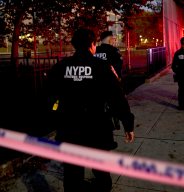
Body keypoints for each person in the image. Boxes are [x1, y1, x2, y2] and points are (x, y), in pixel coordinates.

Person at [46, 28, 135, 192]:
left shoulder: (61, 67)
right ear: (93, 45)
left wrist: (55, 118)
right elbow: (117, 98)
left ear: (75, 45)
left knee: (72, 175)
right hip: (97, 129)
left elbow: (47, 96)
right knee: (101, 173)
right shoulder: (102, 67)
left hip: (70, 129)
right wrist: (128, 124)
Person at [171, 36, 184, 112]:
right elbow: (173, 65)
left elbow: (173, 66)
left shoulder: (178, 53)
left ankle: (182, 106)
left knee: (183, 91)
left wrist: (177, 71)